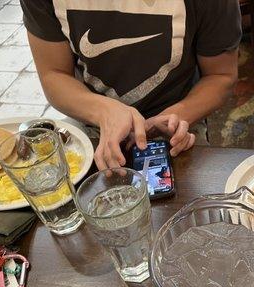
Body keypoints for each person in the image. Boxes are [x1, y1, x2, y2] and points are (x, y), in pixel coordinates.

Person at [20, 0, 241, 170]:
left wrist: (177, 115)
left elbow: (220, 75)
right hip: (89, 116)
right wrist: (104, 111)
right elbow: (54, 74)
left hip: (179, 117)